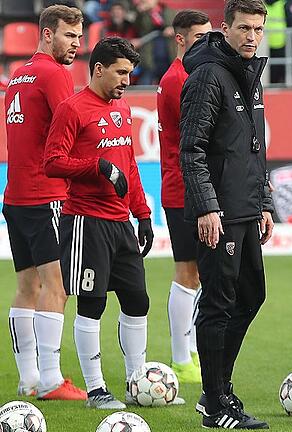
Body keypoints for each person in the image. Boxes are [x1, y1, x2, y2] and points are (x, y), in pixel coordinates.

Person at [43, 37, 160, 410]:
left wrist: (142, 215)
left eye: (131, 73)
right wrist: (96, 166)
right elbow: (53, 163)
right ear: (98, 69)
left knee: (138, 301)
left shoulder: (123, 108)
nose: (127, 80)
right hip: (85, 222)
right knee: (92, 305)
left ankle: (136, 383)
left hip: (120, 222)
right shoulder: (72, 109)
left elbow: (129, 166)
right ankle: (96, 391)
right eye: (121, 72)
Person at [180, 0, 274, 428]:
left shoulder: (249, 73)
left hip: (245, 208)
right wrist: (207, 206)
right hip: (217, 211)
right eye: (244, 28)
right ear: (225, 28)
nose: (252, 36)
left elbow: (255, 146)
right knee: (218, 305)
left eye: (258, 28)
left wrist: (265, 202)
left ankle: (217, 389)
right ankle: (215, 402)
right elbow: (192, 149)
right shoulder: (207, 76)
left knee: (252, 296)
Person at [3, 4, 87, 401]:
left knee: (27, 288)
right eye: (70, 36)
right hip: (47, 194)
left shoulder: (18, 75)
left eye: (79, 36)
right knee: (56, 288)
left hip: (15, 196)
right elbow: (70, 131)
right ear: (48, 34)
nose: (77, 43)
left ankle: (29, 379)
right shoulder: (56, 75)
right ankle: (53, 380)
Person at [157, 9, 211, 385]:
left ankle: (191, 350)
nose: (207, 45)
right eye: (198, 38)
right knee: (188, 272)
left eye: (211, 38)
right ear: (180, 39)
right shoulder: (180, 79)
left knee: (201, 274)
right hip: (182, 190)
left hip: (189, 187)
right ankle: (181, 357)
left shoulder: (190, 75)